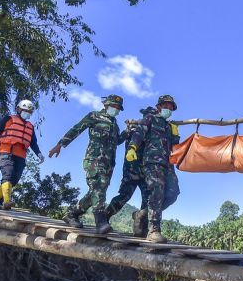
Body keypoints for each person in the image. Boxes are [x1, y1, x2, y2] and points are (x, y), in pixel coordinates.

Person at [48, 94, 126, 234]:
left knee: (94, 193)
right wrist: (60, 144)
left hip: (109, 164)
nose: (116, 109)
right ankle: (100, 221)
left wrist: (128, 132)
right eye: (113, 106)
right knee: (99, 189)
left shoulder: (115, 124)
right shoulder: (94, 116)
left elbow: (117, 141)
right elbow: (76, 129)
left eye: (118, 108)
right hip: (94, 160)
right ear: (106, 105)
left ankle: (72, 214)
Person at [126, 95, 180, 243]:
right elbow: (139, 133)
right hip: (151, 161)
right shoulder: (150, 118)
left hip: (167, 164)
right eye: (166, 106)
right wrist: (132, 148)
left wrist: (176, 135)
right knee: (157, 192)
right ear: (159, 106)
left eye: (170, 108)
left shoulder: (169, 126)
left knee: (173, 193)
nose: (168, 109)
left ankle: (142, 215)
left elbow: (174, 146)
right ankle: (153, 230)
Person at [0, 99, 43, 210]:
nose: (27, 113)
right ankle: (7, 201)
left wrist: (39, 154)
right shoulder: (8, 119)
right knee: (8, 174)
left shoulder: (30, 126)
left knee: (14, 179)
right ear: (18, 109)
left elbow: (33, 142)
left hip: (21, 156)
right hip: (6, 152)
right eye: (25, 110)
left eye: (30, 112)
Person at [103, 108, 151, 237]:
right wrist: (130, 127)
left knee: (147, 199)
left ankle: (140, 229)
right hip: (132, 169)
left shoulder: (153, 131)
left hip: (146, 171)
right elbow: (127, 141)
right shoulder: (135, 128)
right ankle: (104, 217)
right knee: (124, 196)